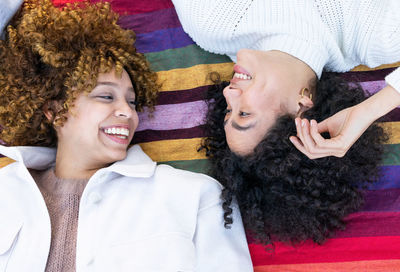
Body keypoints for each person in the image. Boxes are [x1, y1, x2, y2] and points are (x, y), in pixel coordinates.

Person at [0, 1, 253, 271]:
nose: (127, 113)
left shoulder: (196, 197)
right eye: (106, 96)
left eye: (132, 102)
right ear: (54, 110)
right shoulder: (5, 191)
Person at [171, 0, 395, 245]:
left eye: (228, 110)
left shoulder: (211, 22)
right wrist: (368, 110)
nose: (228, 94)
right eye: (244, 113)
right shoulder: (375, 35)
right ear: (301, 107)